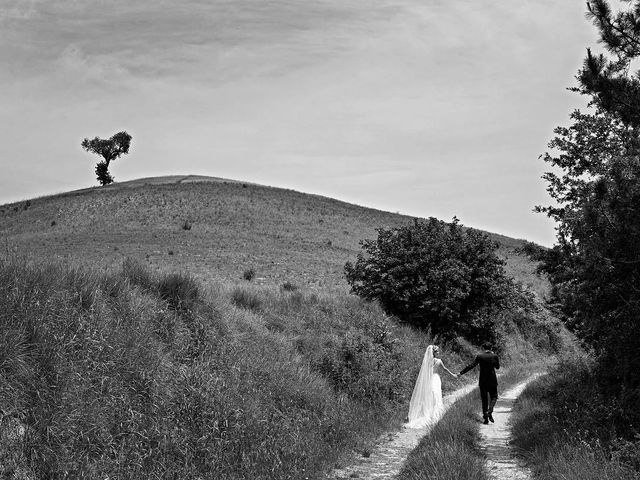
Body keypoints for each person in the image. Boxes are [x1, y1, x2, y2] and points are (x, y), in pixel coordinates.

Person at [406, 345, 458, 428]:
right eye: (437, 351)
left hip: (430, 379)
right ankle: (434, 414)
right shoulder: (439, 361)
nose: (439, 352)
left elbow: (426, 371)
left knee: (433, 395)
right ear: (434, 352)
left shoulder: (428, 361)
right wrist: (453, 375)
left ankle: (432, 413)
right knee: (435, 395)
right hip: (435, 378)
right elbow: (445, 369)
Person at [459, 342, 500, 424]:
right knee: (494, 397)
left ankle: (485, 419)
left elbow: (471, 365)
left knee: (484, 399)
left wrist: (461, 373)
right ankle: (490, 411)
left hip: (483, 381)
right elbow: (497, 367)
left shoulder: (480, 356)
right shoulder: (494, 356)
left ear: (483, 348)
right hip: (492, 380)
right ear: (491, 348)